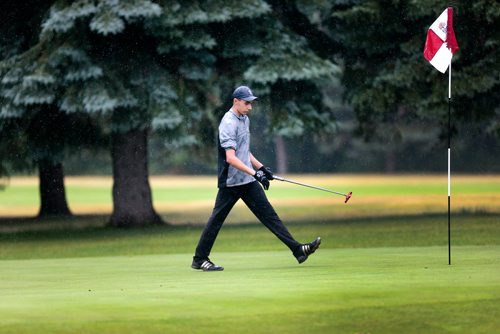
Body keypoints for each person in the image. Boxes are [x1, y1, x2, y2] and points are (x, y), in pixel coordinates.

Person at [191, 85, 321, 271]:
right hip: (231, 182)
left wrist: (261, 169)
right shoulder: (228, 122)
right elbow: (231, 158)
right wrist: (255, 173)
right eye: (247, 103)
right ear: (236, 101)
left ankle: (298, 250)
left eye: (251, 103)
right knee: (216, 220)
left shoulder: (244, 119)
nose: (250, 107)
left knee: (269, 216)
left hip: (247, 180)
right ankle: (200, 259)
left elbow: (244, 151)